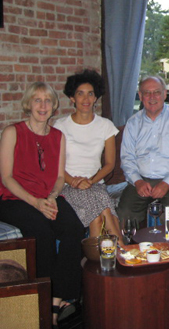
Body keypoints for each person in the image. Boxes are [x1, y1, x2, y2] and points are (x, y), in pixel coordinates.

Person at [0, 82, 84, 326]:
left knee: (73, 229)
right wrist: (36, 202)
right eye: (37, 100)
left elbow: (59, 177)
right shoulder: (12, 132)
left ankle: (57, 300)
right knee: (41, 233)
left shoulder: (58, 136)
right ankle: (42, 301)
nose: (43, 105)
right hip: (15, 198)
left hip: (48, 196)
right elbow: (6, 177)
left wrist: (53, 196)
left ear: (54, 106)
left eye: (48, 101)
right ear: (28, 104)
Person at [54, 70, 123, 246]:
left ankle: (99, 264)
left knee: (99, 213)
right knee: (103, 211)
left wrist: (90, 181)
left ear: (96, 98)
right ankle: (123, 251)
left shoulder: (105, 126)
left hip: (95, 184)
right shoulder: (60, 126)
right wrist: (75, 181)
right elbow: (55, 164)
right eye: (80, 94)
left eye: (90, 94)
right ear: (72, 98)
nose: (86, 99)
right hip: (67, 187)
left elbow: (109, 165)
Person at [118, 76, 169, 226]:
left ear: (164, 94)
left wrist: (166, 183)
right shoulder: (133, 123)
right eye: (147, 93)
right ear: (140, 96)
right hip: (140, 180)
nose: (152, 97)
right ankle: (134, 248)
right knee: (125, 213)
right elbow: (127, 158)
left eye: (157, 92)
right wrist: (137, 181)